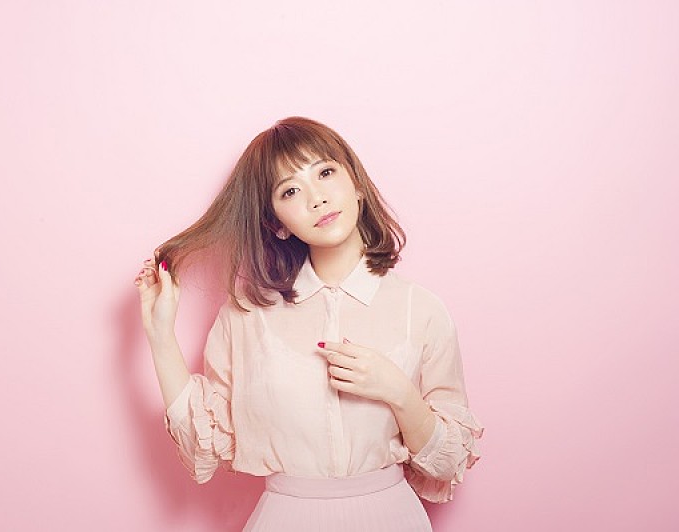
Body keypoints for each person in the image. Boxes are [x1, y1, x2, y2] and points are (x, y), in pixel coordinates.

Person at [134, 116, 484, 531]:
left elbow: (448, 464)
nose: (317, 198)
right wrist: (160, 336)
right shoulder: (247, 315)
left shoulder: (420, 309)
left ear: (356, 184)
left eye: (325, 172)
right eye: (291, 190)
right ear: (277, 223)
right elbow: (203, 449)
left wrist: (399, 392)